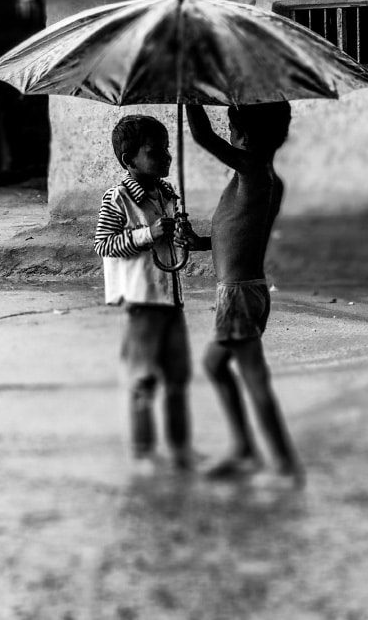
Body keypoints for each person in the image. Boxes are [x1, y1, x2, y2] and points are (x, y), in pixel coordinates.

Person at [179, 101, 303, 487]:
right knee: (216, 367)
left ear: (244, 135)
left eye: (231, 125)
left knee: (252, 379)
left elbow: (201, 136)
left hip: (237, 294)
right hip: (245, 291)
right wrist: (197, 241)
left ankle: (282, 465)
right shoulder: (264, 179)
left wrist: (189, 94)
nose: (229, 134)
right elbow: (240, 233)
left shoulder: (251, 170)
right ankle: (245, 449)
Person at [94, 114, 195, 474]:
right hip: (143, 303)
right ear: (129, 160)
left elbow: (179, 241)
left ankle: (181, 448)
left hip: (171, 298)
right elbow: (104, 244)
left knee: (178, 377)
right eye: (156, 151)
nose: (167, 157)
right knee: (145, 380)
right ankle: (143, 452)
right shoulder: (118, 199)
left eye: (168, 148)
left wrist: (182, 235)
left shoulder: (167, 194)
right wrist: (147, 234)